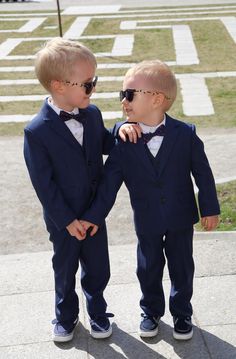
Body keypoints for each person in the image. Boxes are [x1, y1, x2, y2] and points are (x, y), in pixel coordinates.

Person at [80, 60, 220, 341]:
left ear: (157, 99)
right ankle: (151, 310)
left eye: (130, 94)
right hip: (147, 218)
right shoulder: (123, 139)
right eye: (122, 95)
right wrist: (93, 215)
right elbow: (109, 185)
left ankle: (182, 312)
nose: (124, 101)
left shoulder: (186, 134)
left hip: (181, 217)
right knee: (148, 267)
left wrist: (210, 208)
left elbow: (203, 174)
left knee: (182, 266)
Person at [23, 38, 141, 343]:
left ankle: (98, 313)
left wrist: (121, 130)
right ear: (59, 86)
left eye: (94, 82)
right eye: (88, 84)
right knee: (64, 268)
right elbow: (43, 185)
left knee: (98, 267)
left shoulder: (91, 114)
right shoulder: (36, 131)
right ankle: (65, 316)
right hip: (63, 219)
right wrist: (66, 220)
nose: (93, 89)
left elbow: (103, 141)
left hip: (93, 212)